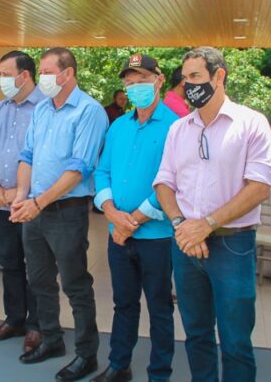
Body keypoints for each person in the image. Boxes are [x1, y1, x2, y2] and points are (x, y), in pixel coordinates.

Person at [153, 46, 271, 381]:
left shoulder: (251, 124)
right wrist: (182, 226)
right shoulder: (180, 129)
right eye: (186, 78)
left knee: (236, 340)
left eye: (196, 76)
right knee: (197, 335)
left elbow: (259, 187)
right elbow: (163, 183)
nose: (189, 84)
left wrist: (206, 225)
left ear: (219, 76)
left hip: (232, 246)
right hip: (185, 246)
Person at [10, 47, 107, 382]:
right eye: (42, 72)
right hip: (34, 209)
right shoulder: (42, 110)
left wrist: (38, 202)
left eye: (49, 71)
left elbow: (78, 169)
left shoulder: (89, 111)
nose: (43, 78)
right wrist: (23, 198)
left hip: (67, 211)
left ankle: (86, 354)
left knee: (76, 284)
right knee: (38, 280)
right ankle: (52, 340)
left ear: (68, 74)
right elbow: (28, 154)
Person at [91, 55, 179, 382]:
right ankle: (119, 365)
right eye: (128, 82)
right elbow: (102, 172)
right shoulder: (118, 126)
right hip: (118, 235)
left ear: (159, 80)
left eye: (141, 78)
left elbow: (172, 182)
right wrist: (112, 213)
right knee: (123, 304)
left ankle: (159, 373)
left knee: (159, 308)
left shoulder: (175, 126)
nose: (134, 86)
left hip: (156, 237)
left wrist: (136, 220)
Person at [0, 50, 45, 353]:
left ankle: (37, 325)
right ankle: (14, 318)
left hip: (31, 202)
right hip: (0, 200)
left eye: (6, 75)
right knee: (9, 262)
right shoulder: (0, 108)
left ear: (25, 75)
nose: (1, 80)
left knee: (37, 266)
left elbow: (45, 159)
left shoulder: (46, 107)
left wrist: (20, 192)